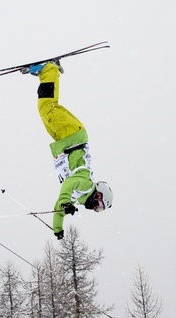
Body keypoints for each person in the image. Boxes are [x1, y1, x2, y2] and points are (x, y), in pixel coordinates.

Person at [25, 61, 113, 239]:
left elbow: (59, 206)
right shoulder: (86, 183)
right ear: (99, 195)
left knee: (47, 109)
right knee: (48, 108)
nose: (95, 208)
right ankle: (49, 69)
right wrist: (66, 202)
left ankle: (48, 72)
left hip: (65, 140)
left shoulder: (75, 197)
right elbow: (68, 184)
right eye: (99, 205)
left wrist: (58, 228)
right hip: (72, 136)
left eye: (98, 210)